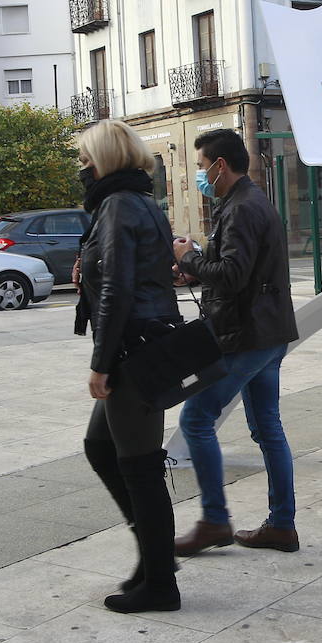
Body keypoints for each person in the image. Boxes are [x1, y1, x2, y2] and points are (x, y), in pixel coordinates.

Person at [172, 128, 300, 556]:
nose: (200, 175)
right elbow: (237, 268)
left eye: (201, 166)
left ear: (220, 165)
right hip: (268, 333)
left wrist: (187, 257)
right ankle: (281, 525)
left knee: (196, 420)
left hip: (246, 337)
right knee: (268, 429)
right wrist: (200, 260)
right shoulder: (251, 201)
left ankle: (213, 521)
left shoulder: (241, 208)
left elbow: (232, 275)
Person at [75, 119, 183, 614]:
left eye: (86, 159)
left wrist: (101, 365)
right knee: (100, 448)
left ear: (106, 160)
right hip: (144, 341)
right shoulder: (140, 201)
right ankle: (153, 556)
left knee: (140, 469)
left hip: (132, 350)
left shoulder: (118, 205)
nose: (82, 168)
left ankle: (160, 583)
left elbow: (118, 288)